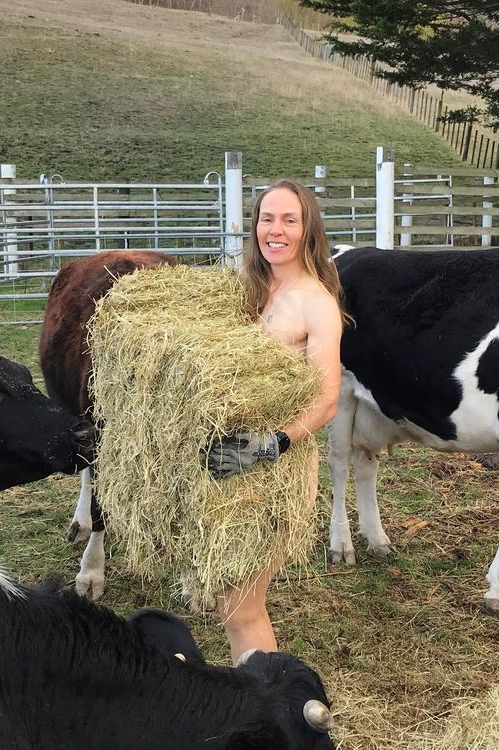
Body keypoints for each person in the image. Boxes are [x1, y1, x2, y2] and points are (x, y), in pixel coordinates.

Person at [205, 178, 345, 662]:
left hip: (277, 470)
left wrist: (272, 444)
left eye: (289, 220)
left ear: (308, 229)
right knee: (224, 599)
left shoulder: (316, 303)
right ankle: (247, 690)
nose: (276, 230)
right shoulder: (248, 290)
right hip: (230, 463)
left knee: (241, 607)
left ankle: (268, 701)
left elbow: (327, 399)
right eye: (267, 219)